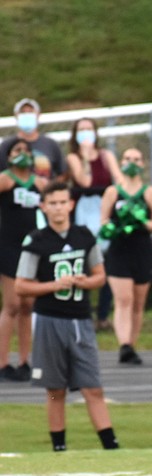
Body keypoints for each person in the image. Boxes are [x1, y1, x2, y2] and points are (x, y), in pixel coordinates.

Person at [14, 181, 119, 453]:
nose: (58, 208)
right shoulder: (36, 241)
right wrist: (53, 286)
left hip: (80, 320)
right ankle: (59, 448)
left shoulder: (84, 235)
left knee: (92, 387)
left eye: (63, 202)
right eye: (53, 203)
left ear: (71, 204)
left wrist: (84, 282)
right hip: (49, 319)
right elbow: (21, 285)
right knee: (55, 389)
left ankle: (111, 447)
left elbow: (100, 276)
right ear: (44, 207)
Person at [99, 147, 152, 365]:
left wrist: (140, 221)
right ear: (121, 161)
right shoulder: (112, 192)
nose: (132, 162)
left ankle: (131, 346)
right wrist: (115, 228)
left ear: (143, 164)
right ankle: (124, 344)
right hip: (119, 249)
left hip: (141, 250)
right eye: (127, 158)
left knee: (137, 302)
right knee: (123, 299)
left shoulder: (149, 192)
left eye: (136, 159)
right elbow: (104, 221)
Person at [65, 117, 122, 332]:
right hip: (83, 213)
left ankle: (103, 315)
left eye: (89, 129)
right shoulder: (73, 157)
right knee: (86, 262)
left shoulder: (106, 156)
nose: (86, 133)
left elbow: (118, 179)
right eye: (82, 130)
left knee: (106, 263)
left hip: (103, 210)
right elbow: (85, 182)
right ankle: (84, 312)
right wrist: (87, 158)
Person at [0, 138, 46, 382]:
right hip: (8, 248)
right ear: (8, 156)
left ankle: (25, 361)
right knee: (12, 305)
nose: (23, 154)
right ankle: (3, 362)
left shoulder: (39, 183)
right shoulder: (6, 179)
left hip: (31, 248)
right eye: (17, 151)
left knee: (28, 306)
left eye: (27, 151)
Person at [0, 98, 66, 180]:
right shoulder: (6, 145)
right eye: (23, 112)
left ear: (38, 115)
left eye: (30, 111)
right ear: (16, 116)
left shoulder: (51, 144)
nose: (27, 115)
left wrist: (50, 189)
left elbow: (62, 173)